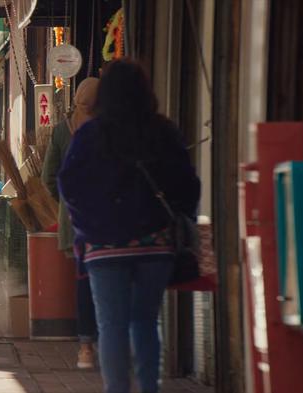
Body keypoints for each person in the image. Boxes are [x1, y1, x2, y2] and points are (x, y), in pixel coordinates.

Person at [58, 60, 200, 393]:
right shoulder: (163, 131)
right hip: (155, 244)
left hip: (103, 245)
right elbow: (187, 183)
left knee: (111, 324)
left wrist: (88, 228)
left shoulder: (90, 134)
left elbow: (69, 185)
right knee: (146, 321)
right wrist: (174, 219)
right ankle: (150, 387)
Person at [41, 77, 100, 369]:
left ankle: (86, 346)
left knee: (85, 282)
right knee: (99, 284)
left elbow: (49, 178)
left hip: (75, 220)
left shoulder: (62, 131)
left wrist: (65, 202)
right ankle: (95, 343)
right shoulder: (108, 130)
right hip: (104, 222)